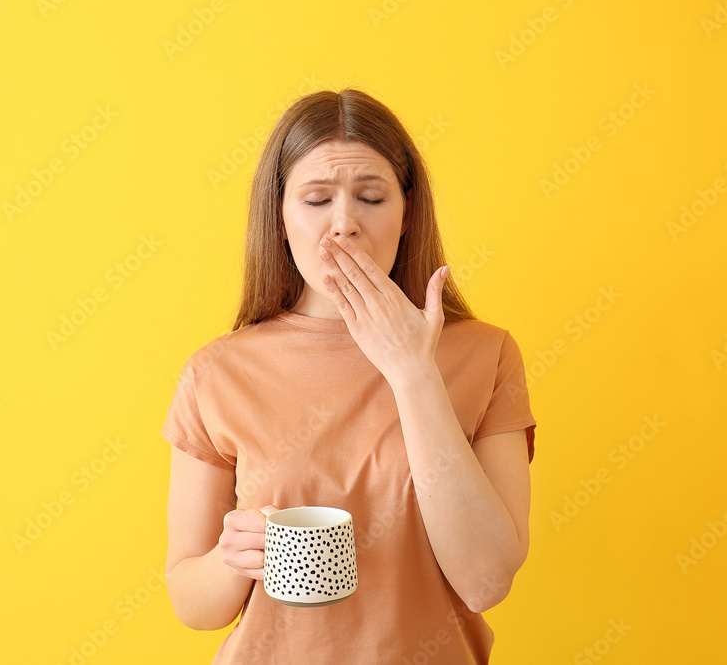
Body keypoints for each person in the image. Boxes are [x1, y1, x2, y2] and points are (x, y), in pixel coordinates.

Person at [163, 87, 537, 663]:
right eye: (315, 200)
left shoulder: (486, 356)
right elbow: (193, 603)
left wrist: (414, 372)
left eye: (370, 196)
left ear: (408, 213)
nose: (344, 225)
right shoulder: (217, 372)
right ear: (280, 219)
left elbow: (486, 581)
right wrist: (231, 558)